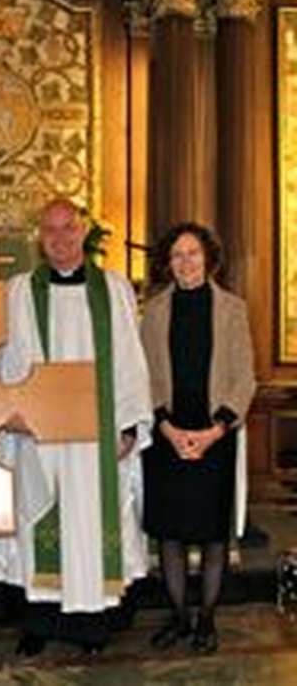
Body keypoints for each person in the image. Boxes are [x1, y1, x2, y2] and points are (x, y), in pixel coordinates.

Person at [0, 198, 153, 655]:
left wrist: (131, 428)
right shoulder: (19, 290)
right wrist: (9, 410)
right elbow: (5, 356)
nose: (59, 238)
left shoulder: (113, 289)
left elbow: (131, 363)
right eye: (50, 230)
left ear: (83, 232)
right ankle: (38, 623)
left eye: (68, 228)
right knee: (39, 519)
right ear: (40, 237)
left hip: (98, 436)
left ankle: (92, 627)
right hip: (39, 436)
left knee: (93, 526)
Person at [140, 221, 256, 655]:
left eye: (192, 253)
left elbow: (245, 379)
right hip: (167, 431)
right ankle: (178, 616)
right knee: (169, 533)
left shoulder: (233, 309)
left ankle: (207, 618)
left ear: (208, 257)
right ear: (167, 264)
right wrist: (166, 427)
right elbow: (145, 376)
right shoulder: (153, 311)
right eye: (176, 255)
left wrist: (214, 431)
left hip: (215, 430)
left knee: (211, 535)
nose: (185, 262)